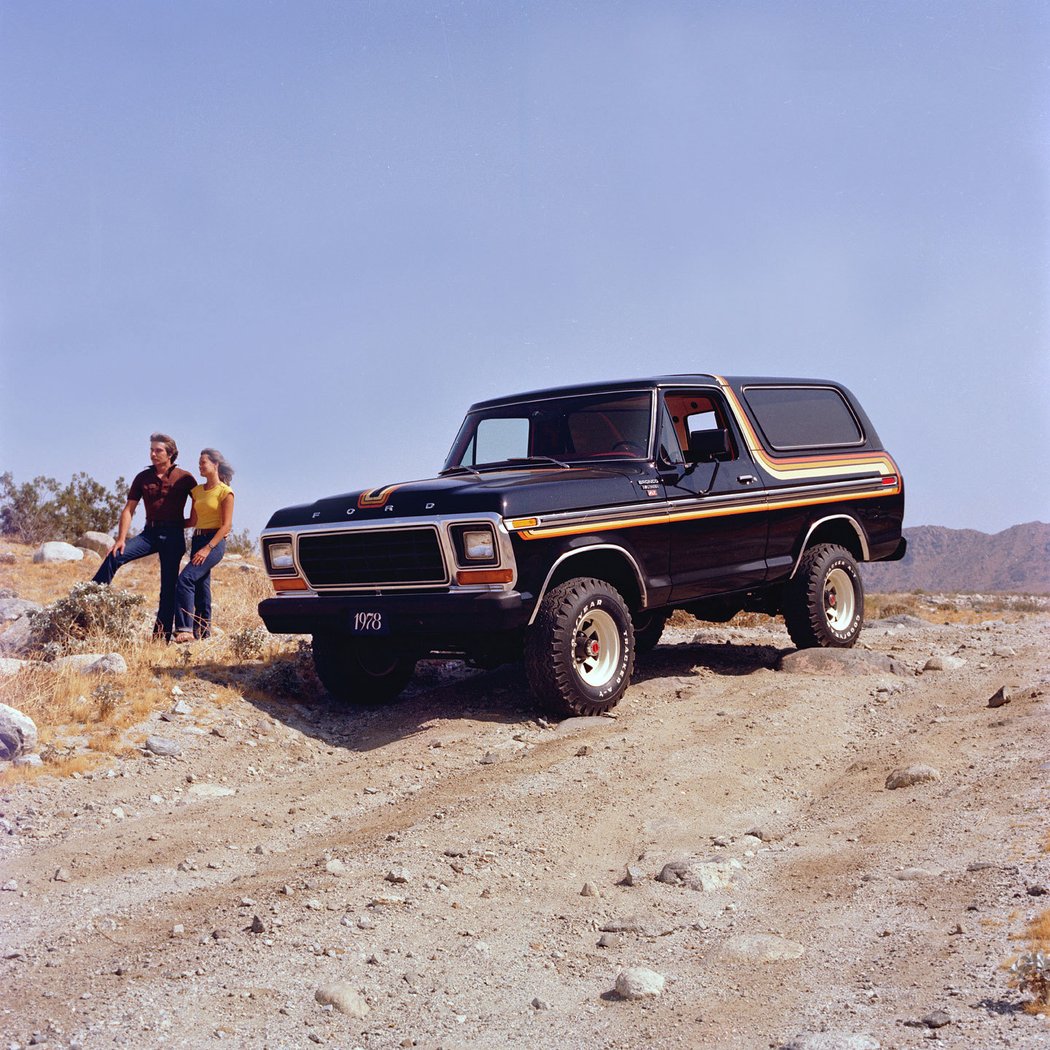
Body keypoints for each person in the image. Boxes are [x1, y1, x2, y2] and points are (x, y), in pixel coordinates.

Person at [93, 433, 196, 641]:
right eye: (151, 450)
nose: (153, 454)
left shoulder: (185, 478)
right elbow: (129, 509)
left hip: (174, 535)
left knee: (168, 587)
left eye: (158, 450)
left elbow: (203, 500)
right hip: (149, 534)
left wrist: (190, 522)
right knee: (114, 557)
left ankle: (160, 638)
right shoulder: (142, 477)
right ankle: (89, 601)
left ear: (170, 454)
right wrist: (120, 539)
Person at [173, 449, 235, 644]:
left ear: (215, 465)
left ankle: (185, 629)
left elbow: (226, 526)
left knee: (185, 579)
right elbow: (192, 520)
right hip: (197, 539)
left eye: (203, 463)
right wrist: (169, 523)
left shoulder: (225, 492)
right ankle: (203, 632)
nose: (200, 466)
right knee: (201, 585)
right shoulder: (197, 492)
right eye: (199, 463)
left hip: (214, 543)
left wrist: (208, 548)